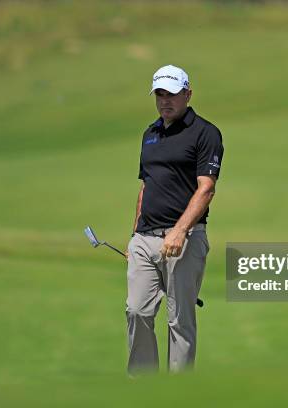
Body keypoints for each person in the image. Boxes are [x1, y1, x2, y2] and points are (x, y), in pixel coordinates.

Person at [125, 64, 224, 375]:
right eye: (160, 94)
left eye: (172, 94)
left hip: (185, 238)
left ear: (188, 94)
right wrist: (134, 235)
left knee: (179, 320)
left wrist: (180, 231)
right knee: (137, 310)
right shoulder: (149, 134)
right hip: (146, 237)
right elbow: (146, 186)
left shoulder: (205, 133)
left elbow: (206, 189)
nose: (165, 100)